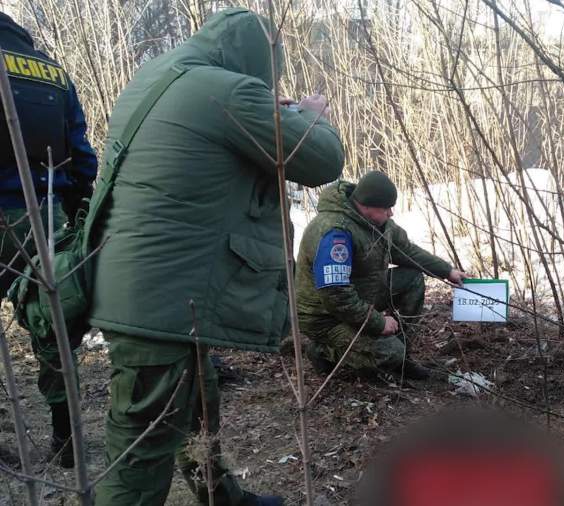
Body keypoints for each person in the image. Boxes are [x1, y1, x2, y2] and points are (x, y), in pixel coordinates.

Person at [86, 8, 344, 506]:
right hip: (160, 303)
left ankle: (221, 497)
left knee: (200, 402)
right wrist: (307, 116)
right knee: (143, 445)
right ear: (257, 61)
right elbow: (321, 159)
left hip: (149, 291)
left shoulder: (158, 78)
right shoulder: (228, 92)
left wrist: (271, 110)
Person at [0, 11, 97, 468]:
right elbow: (82, 155)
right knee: (51, 324)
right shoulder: (53, 72)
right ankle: (67, 438)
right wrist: (76, 209)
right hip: (45, 214)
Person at [295, 171, 466, 380]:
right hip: (325, 316)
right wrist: (378, 322)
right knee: (388, 352)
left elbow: (407, 251)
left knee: (412, 278)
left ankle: (401, 358)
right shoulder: (335, 232)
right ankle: (323, 351)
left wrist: (446, 271)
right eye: (386, 208)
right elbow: (336, 294)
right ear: (367, 205)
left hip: (360, 296)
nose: (391, 213)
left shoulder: (378, 223)